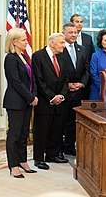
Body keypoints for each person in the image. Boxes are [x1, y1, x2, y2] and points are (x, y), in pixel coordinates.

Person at [3, 28, 38, 178]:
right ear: (14, 42)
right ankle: (13, 165)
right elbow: (16, 82)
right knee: (14, 135)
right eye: (23, 40)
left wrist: (34, 95)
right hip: (16, 102)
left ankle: (22, 160)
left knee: (24, 133)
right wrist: (30, 97)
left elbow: (32, 79)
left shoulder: (24, 56)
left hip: (27, 102)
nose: (26, 42)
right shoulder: (10, 58)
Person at [32, 33, 69, 170]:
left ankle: (52, 155)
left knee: (56, 129)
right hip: (44, 101)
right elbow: (38, 80)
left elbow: (66, 79)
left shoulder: (62, 57)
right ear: (52, 43)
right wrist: (51, 97)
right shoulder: (38, 56)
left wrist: (61, 96)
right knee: (41, 130)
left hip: (59, 101)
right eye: (61, 43)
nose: (64, 46)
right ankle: (39, 158)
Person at [59, 23, 90, 157]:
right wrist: (68, 85)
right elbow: (57, 70)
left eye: (75, 32)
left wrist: (81, 84)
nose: (74, 35)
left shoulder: (82, 49)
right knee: (61, 123)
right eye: (70, 32)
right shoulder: (59, 49)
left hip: (78, 92)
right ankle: (58, 150)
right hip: (64, 92)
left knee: (73, 123)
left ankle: (70, 147)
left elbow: (87, 70)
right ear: (64, 33)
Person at [70, 14, 95, 99]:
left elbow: (91, 58)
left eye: (81, 22)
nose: (80, 24)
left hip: (85, 79)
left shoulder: (88, 38)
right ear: (71, 23)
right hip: (70, 82)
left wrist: (84, 82)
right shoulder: (65, 39)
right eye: (77, 22)